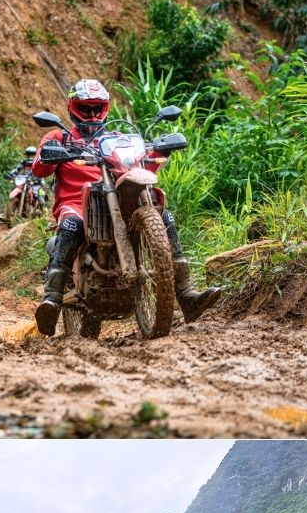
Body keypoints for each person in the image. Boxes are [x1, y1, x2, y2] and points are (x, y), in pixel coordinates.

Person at [30, 79, 220, 336]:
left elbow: (139, 166)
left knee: (166, 217)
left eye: (98, 108)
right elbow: (39, 170)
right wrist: (52, 152)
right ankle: (52, 299)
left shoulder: (117, 138)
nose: (93, 114)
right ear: (73, 107)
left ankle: (186, 295)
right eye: (86, 108)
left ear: (106, 108)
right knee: (72, 223)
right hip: (76, 203)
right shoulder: (59, 136)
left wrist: (158, 151)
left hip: (118, 202)